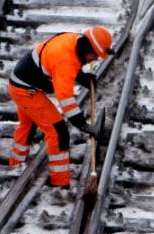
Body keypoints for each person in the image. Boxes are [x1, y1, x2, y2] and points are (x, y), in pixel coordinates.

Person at [8, 27, 112, 187]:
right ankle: (60, 183)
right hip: (25, 90)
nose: (95, 60)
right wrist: (82, 124)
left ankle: (15, 165)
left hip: (23, 80)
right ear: (87, 48)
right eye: (95, 55)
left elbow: (69, 63)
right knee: (58, 131)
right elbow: (65, 99)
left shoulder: (75, 40)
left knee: (27, 125)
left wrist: (82, 77)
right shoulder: (65, 61)